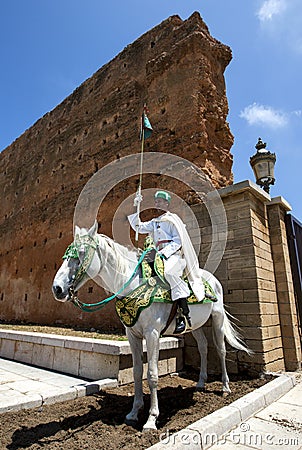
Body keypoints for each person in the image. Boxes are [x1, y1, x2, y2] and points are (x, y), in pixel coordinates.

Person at [128, 190, 205, 334]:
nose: (157, 203)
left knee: (170, 273)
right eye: (156, 201)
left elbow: (178, 240)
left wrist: (164, 253)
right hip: (158, 255)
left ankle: (183, 315)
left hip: (173, 255)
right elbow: (139, 227)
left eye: (159, 201)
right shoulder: (155, 222)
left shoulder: (173, 219)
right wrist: (135, 206)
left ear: (166, 203)